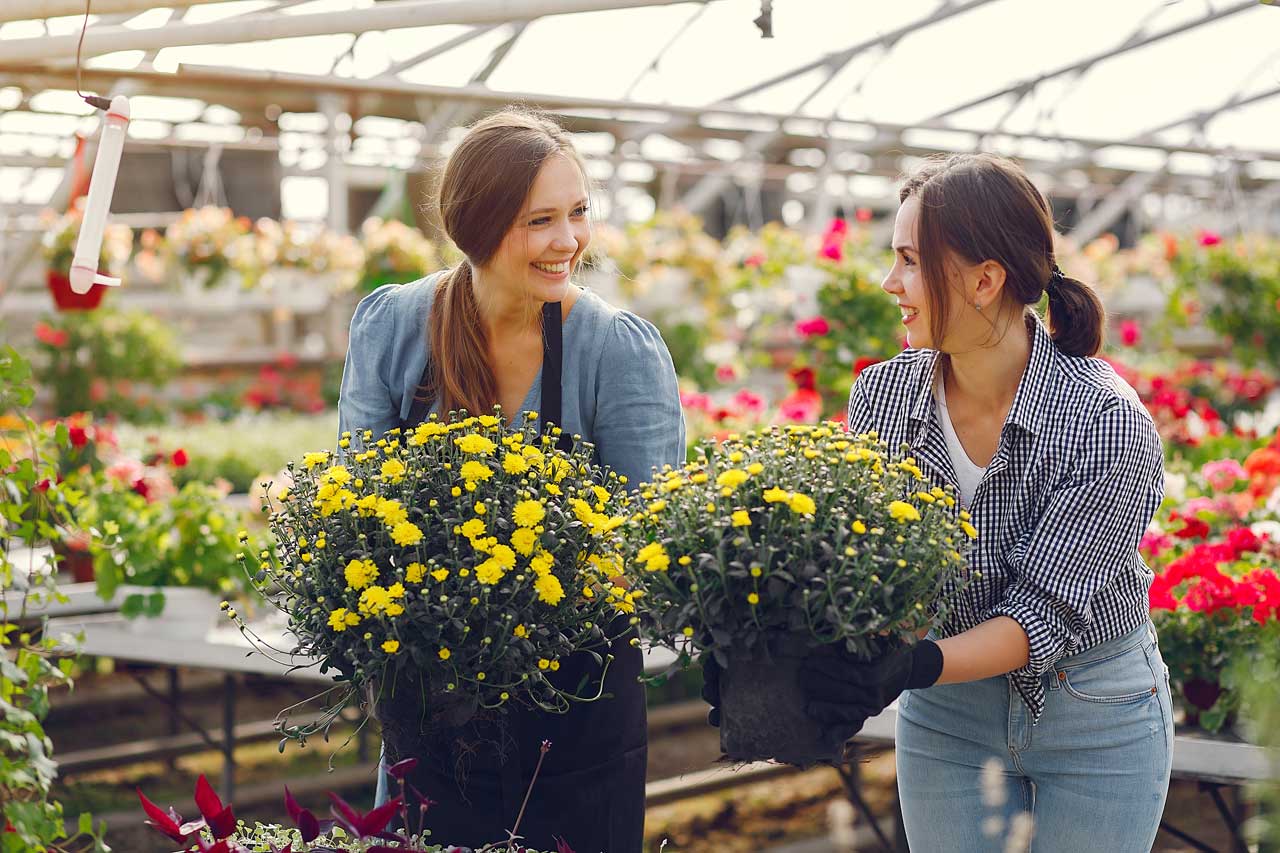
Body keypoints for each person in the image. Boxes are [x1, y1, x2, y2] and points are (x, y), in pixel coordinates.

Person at [705, 153, 1172, 852]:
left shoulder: (1106, 420)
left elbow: (1041, 615)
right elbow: (859, 562)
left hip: (1095, 710)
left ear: (985, 280)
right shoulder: (883, 397)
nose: (890, 283)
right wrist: (765, 643)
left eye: (910, 262)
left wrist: (908, 665)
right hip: (949, 715)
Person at [337, 108, 685, 853]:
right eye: (541, 221)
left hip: (573, 720)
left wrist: (526, 606)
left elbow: (651, 543)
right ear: (477, 226)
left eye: (579, 213)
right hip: (428, 705)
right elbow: (355, 513)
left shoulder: (616, 352)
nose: (570, 241)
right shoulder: (395, 327)